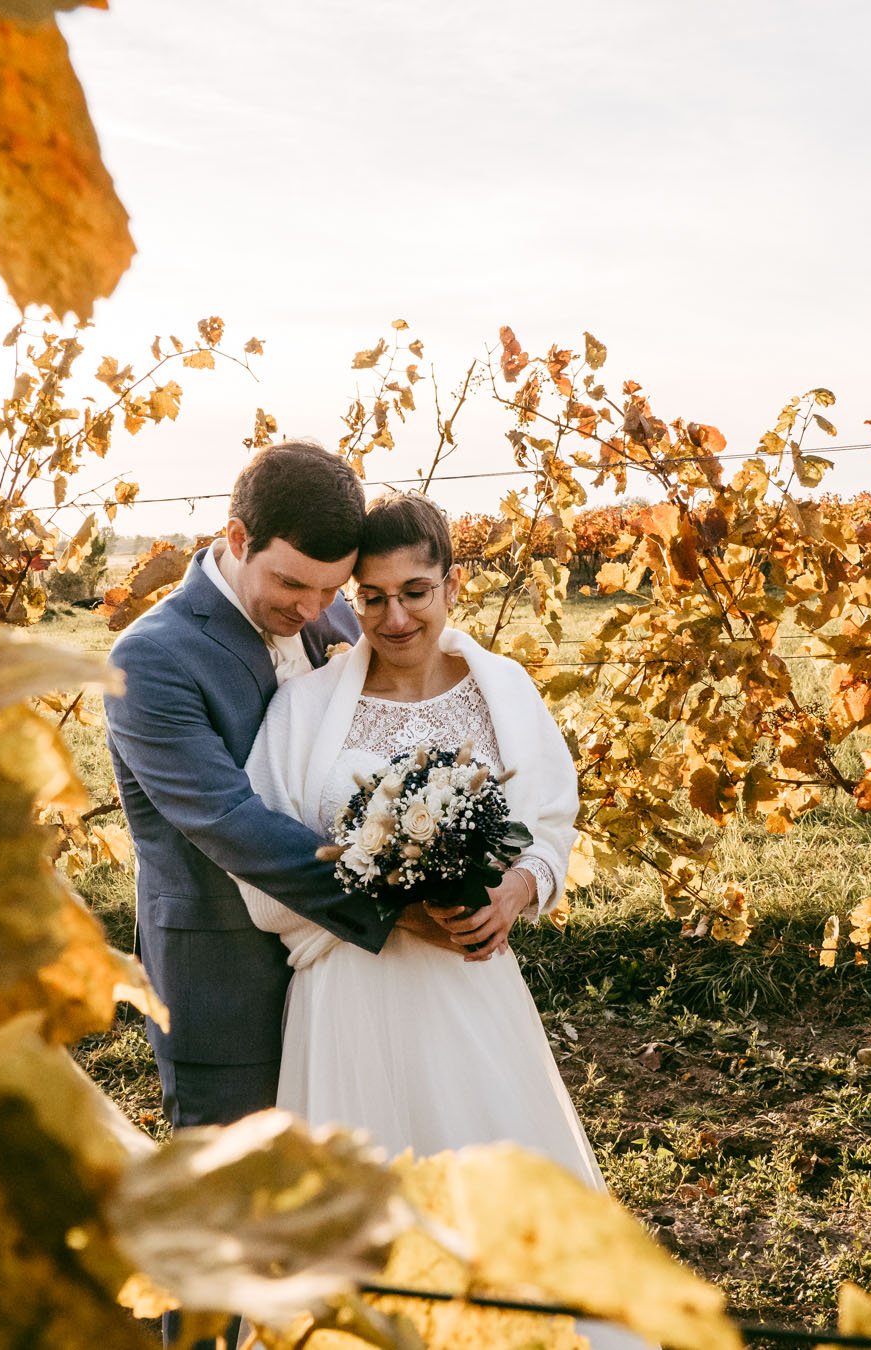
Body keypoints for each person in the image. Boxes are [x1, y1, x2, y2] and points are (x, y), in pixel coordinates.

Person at [237, 493, 649, 1348]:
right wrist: (387, 910)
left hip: (471, 987)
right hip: (351, 991)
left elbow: (551, 822)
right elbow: (266, 854)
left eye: (415, 591)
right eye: (373, 596)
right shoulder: (308, 710)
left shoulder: (504, 691)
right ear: (351, 598)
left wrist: (517, 891)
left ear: (451, 584)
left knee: (496, 1187)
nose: (395, 616)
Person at [105, 444, 464, 1131]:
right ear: (238, 538)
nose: (313, 607)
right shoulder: (150, 659)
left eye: (332, 589)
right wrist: (394, 906)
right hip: (227, 979)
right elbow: (227, 818)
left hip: (349, 985)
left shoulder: (332, 623)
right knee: (235, 1206)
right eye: (293, 584)